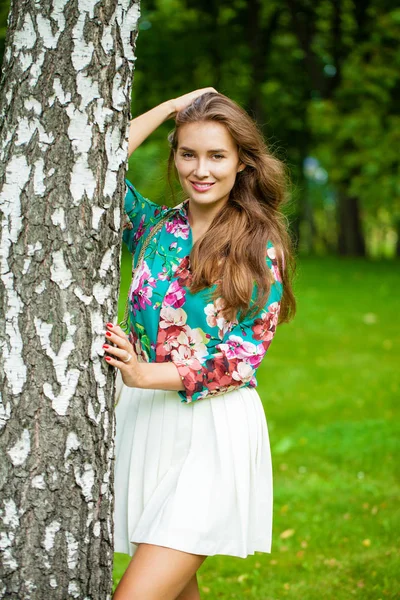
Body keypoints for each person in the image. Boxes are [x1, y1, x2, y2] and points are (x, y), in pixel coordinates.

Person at [103, 88, 296, 600]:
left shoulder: (259, 246)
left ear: (241, 164)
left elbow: (239, 360)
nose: (201, 169)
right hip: (148, 426)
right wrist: (171, 109)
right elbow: (94, 157)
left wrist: (145, 374)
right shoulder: (154, 227)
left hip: (211, 435)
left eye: (217, 155)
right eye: (188, 153)